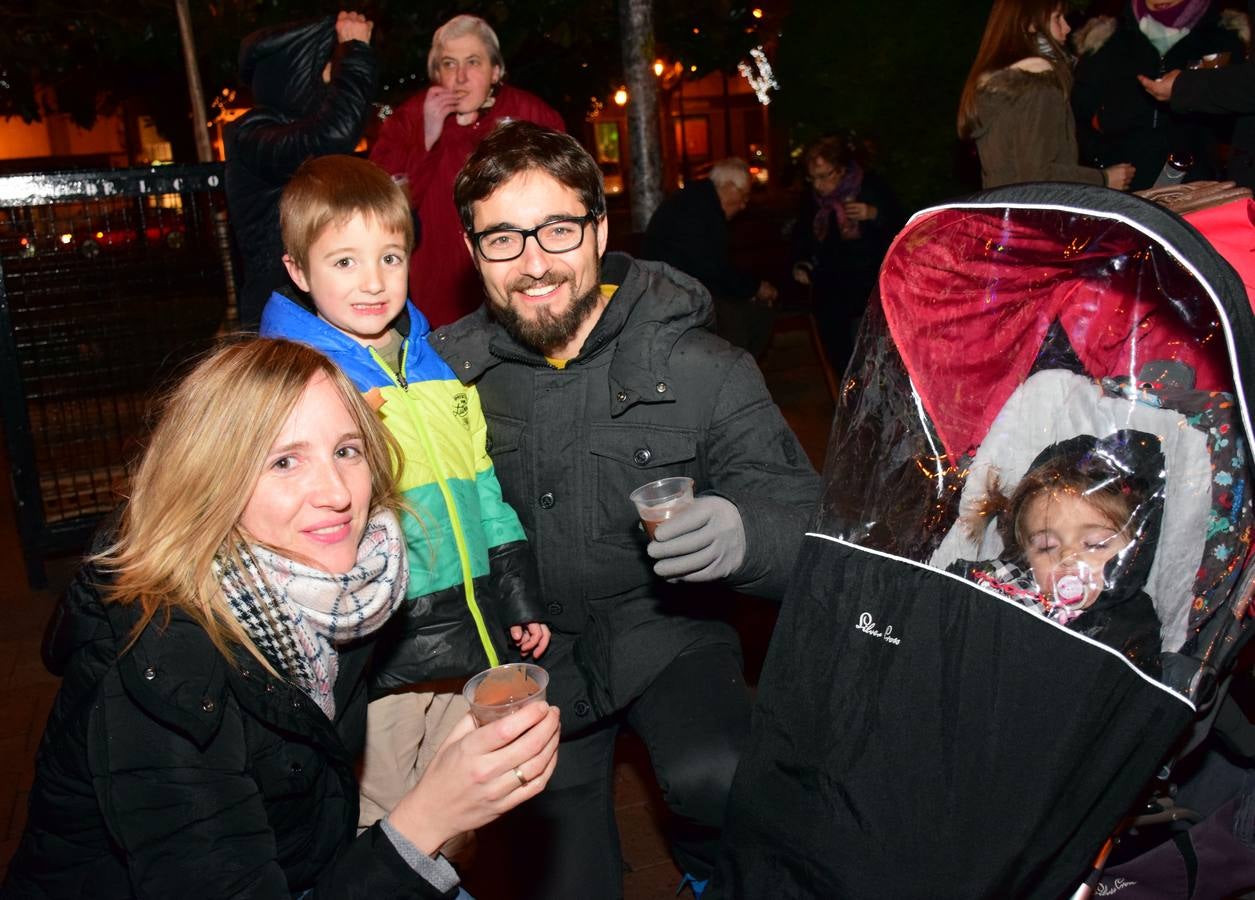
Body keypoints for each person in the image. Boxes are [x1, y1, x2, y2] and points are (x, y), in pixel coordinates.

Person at [1, 338, 560, 897]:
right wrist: (429, 818)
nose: (337, 494)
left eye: (346, 451)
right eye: (284, 461)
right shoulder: (163, 665)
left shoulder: (346, 587)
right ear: (209, 480)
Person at [433, 121, 821, 899]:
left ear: (599, 229)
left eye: (556, 229)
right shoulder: (443, 380)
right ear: (472, 250)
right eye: (503, 238)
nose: (535, 262)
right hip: (533, 662)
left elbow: (807, 520)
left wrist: (744, 534)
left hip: (666, 635)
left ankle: (713, 871)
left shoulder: (700, 366)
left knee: (721, 780)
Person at [258, 154, 548, 841]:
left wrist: (516, 592)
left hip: (467, 637)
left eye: (390, 258)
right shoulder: (298, 382)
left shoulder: (432, 362)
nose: (372, 283)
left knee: (462, 813)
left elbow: (480, 488)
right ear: (298, 271)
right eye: (344, 262)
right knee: (384, 814)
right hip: (381, 656)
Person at [369, 14, 564, 329]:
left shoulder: (531, 114)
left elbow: (564, 195)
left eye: (473, 62)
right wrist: (426, 139)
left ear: (496, 70)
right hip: (439, 292)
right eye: (448, 64)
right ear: (436, 73)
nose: (460, 78)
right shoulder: (408, 120)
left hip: (520, 276)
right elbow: (384, 210)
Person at [949, 430, 1164, 675]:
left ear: (1135, 548)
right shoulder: (999, 583)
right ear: (1026, 555)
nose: (1067, 556)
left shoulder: (1131, 624)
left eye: (1095, 544)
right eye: (1046, 547)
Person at [226, 11, 380, 330]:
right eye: (321, 69)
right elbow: (333, 135)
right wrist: (356, 52)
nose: (329, 79)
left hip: (313, 306)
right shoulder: (253, 133)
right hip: (282, 314)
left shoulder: (290, 134)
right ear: (291, 76)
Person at [958, 0, 1136, 190]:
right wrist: (1103, 179)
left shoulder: (998, 85)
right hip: (1034, 215)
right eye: (1057, 18)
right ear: (1031, 24)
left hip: (1005, 210)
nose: (1067, 28)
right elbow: (1038, 174)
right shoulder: (1038, 85)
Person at [1072, 0, 1245, 191]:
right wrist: (1101, 167)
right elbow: (1077, 114)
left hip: (1197, 185)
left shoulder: (1229, 35)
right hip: (1121, 184)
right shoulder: (1104, 37)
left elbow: (1239, 116)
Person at [642, 158, 779, 358]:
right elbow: (711, 269)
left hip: (676, 291)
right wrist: (755, 287)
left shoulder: (699, 201)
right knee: (747, 320)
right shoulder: (700, 209)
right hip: (673, 297)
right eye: (744, 196)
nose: (743, 205)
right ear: (730, 187)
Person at [791, 135, 904, 376]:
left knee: (869, 351)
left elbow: (900, 227)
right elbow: (801, 235)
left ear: (841, 169)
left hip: (869, 283)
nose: (818, 184)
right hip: (830, 287)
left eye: (824, 176)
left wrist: (874, 214)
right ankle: (848, 401)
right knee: (839, 353)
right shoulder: (813, 200)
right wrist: (801, 263)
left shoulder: (870, 186)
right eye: (812, 178)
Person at [1138, 0, 1255, 189]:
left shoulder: (1226, 31)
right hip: (1131, 170)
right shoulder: (1113, 34)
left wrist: (1184, 86)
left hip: (1198, 174)